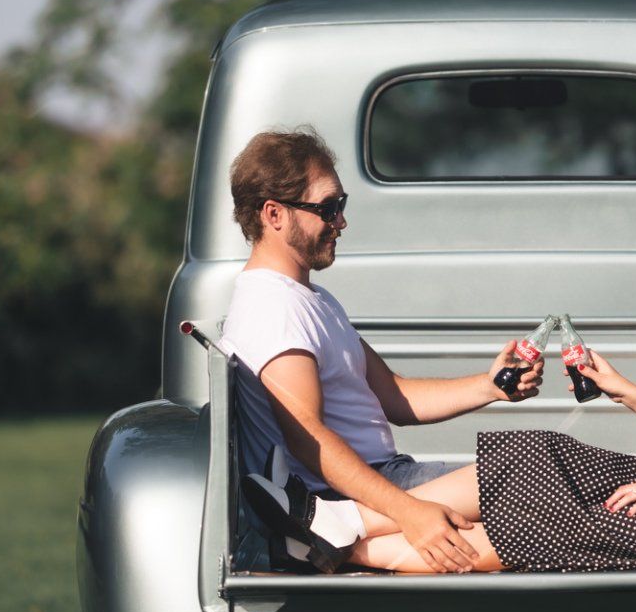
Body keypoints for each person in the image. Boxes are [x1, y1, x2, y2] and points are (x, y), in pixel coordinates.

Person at [242, 155, 636, 574]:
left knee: (545, 525)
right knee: (542, 453)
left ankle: (338, 541)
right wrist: (622, 390)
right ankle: (335, 526)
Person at [223, 128, 543, 575]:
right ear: (274, 215)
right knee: (533, 466)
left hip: (379, 479)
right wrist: (408, 514)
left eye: (342, 206)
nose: (341, 223)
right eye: (328, 208)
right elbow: (309, 441)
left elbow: (393, 395)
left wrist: (489, 387)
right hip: (346, 493)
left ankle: (336, 546)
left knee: (541, 509)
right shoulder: (275, 308)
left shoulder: (310, 300)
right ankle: (334, 534)